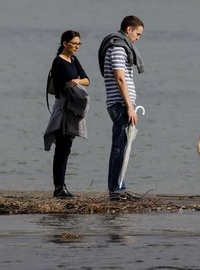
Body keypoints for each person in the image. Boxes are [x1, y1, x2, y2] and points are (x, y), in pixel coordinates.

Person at [98, 15, 145, 200]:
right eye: (138, 34)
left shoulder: (121, 46)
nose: (138, 38)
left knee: (122, 146)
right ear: (128, 30)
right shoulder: (118, 47)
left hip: (121, 103)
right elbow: (119, 78)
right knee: (119, 147)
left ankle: (119, 187)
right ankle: (116, 190)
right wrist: (129, 107)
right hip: (120, 104)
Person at [44, 30, 90, 198]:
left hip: (73, 108)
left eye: (79, 44)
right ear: (65, 43)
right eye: (74, 43)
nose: (77, 47)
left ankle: (61, 186)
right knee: (62, 147)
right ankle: (59, 187)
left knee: (67, 146)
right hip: (63, 107)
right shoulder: (58, 62)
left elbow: (87, 80)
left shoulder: (73, 59)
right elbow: (64, 86)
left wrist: (78, 80)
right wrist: (75, 82)